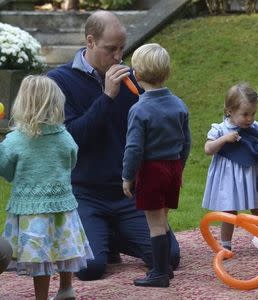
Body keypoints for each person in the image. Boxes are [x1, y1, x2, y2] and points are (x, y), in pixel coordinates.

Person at [47, 10, 180, 281]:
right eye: (111, 49)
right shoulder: (59, 81)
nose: (119, 57)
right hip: (85, 192)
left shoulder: (132, 79)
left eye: (122, 48)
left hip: (127, 192)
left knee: (170, 258)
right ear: (90, 41)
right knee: (89, 269)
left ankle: (108, 236)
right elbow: (72, 138)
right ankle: (96, 235)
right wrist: (107, 97)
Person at [0, 75, 93, 300]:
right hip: (62, 205)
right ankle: (65, 288)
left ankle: (41, 297)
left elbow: (6, 170)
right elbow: (72, 159)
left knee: (39, 256)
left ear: (22, 104)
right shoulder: (64, 136)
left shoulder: (14, 140)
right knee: (65, 247)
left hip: (31, 211)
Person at [122, 43, 191, 287]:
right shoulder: (179, 104)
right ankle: (163, 268)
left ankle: (159, 273)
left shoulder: (139, 109)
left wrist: (127, 176)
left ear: (136, 75)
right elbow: (186, 142)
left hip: (151, 171)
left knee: (154, 225)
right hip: (172, 168)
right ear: (167, 73)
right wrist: (179, 167)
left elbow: (134, 148)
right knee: (162, 220)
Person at [202, 82, 258, 252]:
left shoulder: (255, 127)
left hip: (251, 176)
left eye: (253, 113)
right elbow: (208, 149)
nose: (250, 118)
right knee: (229, 212)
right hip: (228, 178)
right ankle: (225, 245)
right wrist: (224, 139)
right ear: (229, 110)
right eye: (245, 114)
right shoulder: (220, 129)